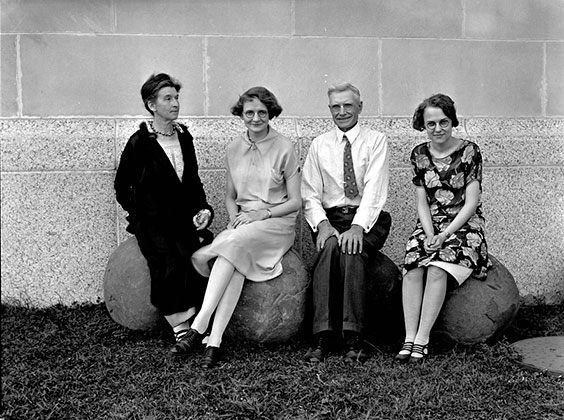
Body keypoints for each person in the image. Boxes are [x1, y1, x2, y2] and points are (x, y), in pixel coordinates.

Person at [175, 86, 302, 368]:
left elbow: (295, 202)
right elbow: (230, 198)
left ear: (271, 114)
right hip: (243, 225)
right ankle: (214, 341)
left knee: (229, 247)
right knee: (232, 258)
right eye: (249, 112)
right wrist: (233, 218)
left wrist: (262, 214)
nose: (256, 118)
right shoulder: (233, 148)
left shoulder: (284, 147)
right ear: (241, 114)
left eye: (262, 112)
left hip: (275, 222)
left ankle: (199, 323)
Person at [114, 73, 214, 351]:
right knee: (167, 260)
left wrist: (203, 210)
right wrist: (141, 214)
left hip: (183, 220)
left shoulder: (184, 137)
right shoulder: (139, 143)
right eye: (167, 98)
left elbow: (193, 182)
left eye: (176, 98)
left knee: (200, 252)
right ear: (151, 104)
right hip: (152, 223)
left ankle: (201, 322)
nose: (175, 104)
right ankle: (182, 328)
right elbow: (122, 186)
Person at [396, 93, 491, 364]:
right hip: (431, 225)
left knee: (437, 268)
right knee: (413, 267)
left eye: (443, 122)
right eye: (431, 124)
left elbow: (472, 202)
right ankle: (409, 337)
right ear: (423, 125)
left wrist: (445, 235)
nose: (438, 129)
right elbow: (421, 202)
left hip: (463, 225)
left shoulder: (469, 151)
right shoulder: (419, 155)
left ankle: (423, 340)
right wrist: (428, 234)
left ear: (453, 121)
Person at [301, 83, 391, 363]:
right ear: (330, 110)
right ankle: (321, 336)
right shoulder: (319, 144)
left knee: (352, 250)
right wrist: (322, 225)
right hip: (331, 218)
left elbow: (375, 192)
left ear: (360, 107)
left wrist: (357, 227)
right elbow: (309, 193)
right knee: (330, 248)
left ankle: (353, 337)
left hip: (368, 219)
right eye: (336, 107)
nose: (342, 112)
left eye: (348, 105)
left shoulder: (376, 141)